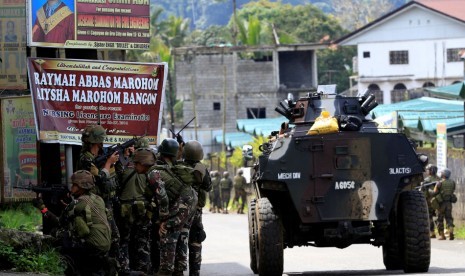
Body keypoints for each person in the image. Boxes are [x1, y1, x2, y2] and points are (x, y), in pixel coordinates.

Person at [33, 170, 112, 275]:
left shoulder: (76, 204)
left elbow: (59, 222)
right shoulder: (98, 199)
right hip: (105, 245)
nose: (72, 187)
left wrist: (42, 208)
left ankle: (66, 265)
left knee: (58, 233)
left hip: (90, 247)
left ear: (81, 186)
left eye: (75, 185)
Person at [76, 125, 121, 267]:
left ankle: (110, 267)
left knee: (113, 237)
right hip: (95, 204)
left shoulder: (99, 156)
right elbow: (100, 179)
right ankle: (104, 267)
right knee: (109, 238)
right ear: (97, 141)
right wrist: (108, 163)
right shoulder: (86, 159)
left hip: (105, 202)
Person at [153, 138, 198, 276]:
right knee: (182, 239)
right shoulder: (177, 166)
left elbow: (162, 196)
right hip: (191, 205)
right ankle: (179, 270)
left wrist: (164, 220)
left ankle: (166, 269)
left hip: (181, 207)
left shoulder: (156, 170)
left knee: (168, 238)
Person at [115, 138, 152, 275]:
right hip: (144, 208)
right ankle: (143, 270)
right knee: (143, 241)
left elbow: (116, 184)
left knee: (124, 240)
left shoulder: (123, 164)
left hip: (125, 208)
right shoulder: (151, 167)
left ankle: (125, 270)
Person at [178, 140, 212, 276]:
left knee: (180, 238)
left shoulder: (178, 166)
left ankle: (179, 270)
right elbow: (208, 187)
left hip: (180, 209)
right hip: (196, 210)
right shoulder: (201, 168)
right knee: (196, 239)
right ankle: (195, 272)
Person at [432, 168, 456, 240]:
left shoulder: (439, 182)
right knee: (449, 218)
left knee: (440, 219)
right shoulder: (452, 182)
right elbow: (453, 190)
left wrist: (435, 186)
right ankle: (451, 232)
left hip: (441, 204)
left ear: (443, 174)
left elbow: (434, 192)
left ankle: (442, 236)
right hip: (449, 203)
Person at [421, 164, 440, 238]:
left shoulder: (427, 180)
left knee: (430, 217)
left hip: (429, 201)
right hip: (439, 200)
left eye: (428, 170)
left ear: (431, 171)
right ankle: (441, 233)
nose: (427, 171)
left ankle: (432, 233)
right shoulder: (439, 179)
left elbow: (424, 192)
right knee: (439, 216)